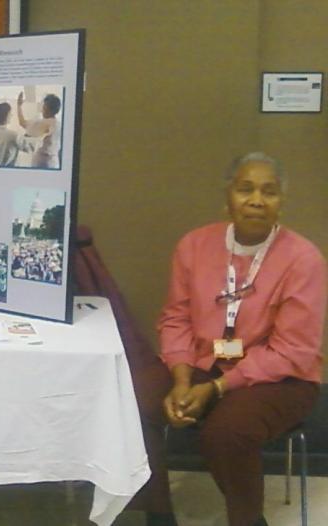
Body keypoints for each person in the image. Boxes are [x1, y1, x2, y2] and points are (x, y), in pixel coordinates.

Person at [129, 153, 326, 526]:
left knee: (227, 432)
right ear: (228, 197)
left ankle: (248, 520)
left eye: (269, 192)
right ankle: (156, 513)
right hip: (204, 363)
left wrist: (216, 388)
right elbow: (175, 319)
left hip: (281, 379)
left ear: (281, 201)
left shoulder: (304, 260)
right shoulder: (194, 245)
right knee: (133, 401)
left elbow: (291, 350)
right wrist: (183, 380)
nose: (256, 200)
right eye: (245, 188)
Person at [17, 91, 62, 169]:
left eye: (44, 107)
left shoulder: (45, 123)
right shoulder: (58, 124)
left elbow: (23, 123)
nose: (42, 110)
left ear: (46, 108)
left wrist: (19, 106)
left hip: (42, 162)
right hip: (54, 162)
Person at [0, 102, 39, 167]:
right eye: (10, 113)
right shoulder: (13, 135)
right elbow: (30, 148)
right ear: (6, 115)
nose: (12, 115)